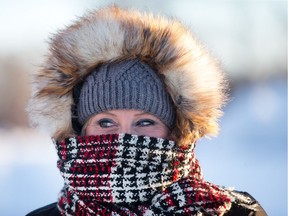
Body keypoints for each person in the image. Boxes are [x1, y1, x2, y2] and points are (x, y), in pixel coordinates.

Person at [26, 5, 267, 216]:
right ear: (80, 131)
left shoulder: (234, 213)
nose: (125, 137)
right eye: (106, 123)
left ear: (175, 132)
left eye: (145, 122)